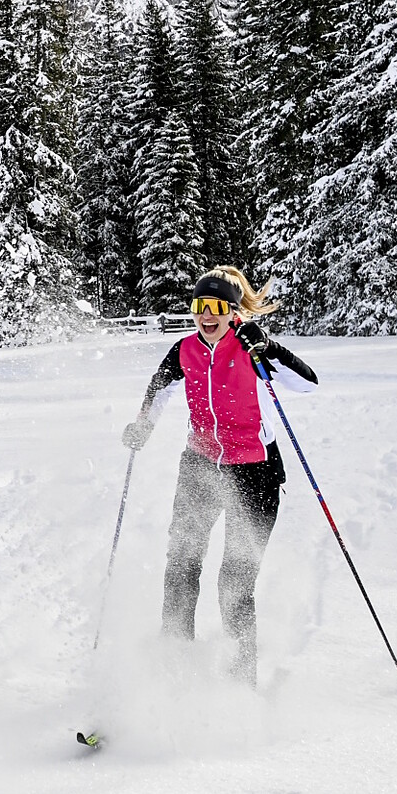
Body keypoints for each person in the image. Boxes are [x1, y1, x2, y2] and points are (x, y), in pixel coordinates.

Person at [120, 266, 317, 686]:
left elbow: (308, 384)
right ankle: (173, 668)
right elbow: (159, 387)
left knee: (235, 582)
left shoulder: (251, 346)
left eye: (215, 307)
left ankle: (239, 684)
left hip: (255, 473)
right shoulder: (184, 350)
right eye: (198, 306)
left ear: (232, 311)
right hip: (200, 467)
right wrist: (144, 425)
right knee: (181, 566)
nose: (206, 315)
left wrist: (270, 348)